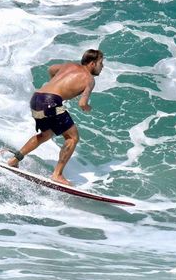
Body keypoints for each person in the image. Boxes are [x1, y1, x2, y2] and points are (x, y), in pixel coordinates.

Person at [7, 49, 104, 186]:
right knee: (72, 138)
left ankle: (14, 160)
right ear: (92, 63)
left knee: (45, 134)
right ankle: (57, 174)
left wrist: (56, 84)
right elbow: (82, 104)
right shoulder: (89, 79)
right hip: (51, 102)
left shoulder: (69, 65)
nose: (102, 66)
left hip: (37, 98)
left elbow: (51, 69)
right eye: (101, 63)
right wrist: (87, 108)